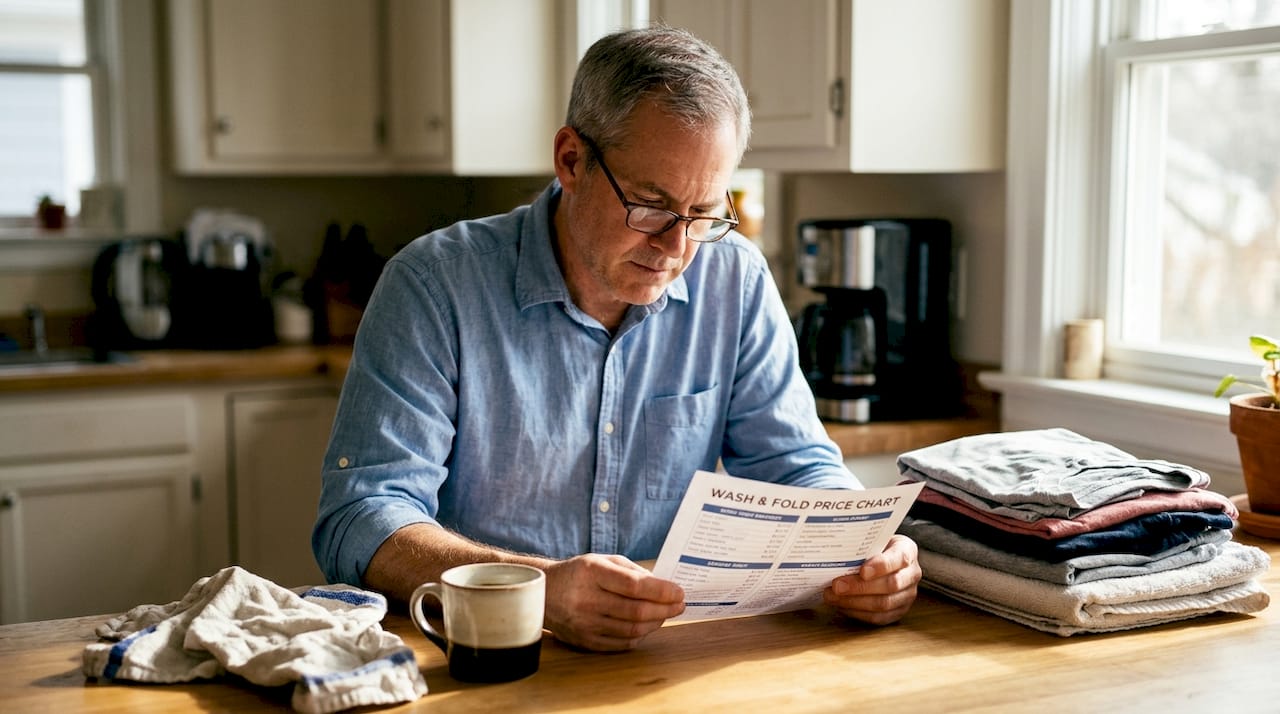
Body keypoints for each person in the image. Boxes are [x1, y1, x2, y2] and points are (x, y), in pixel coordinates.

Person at [313, 25, 921, 653]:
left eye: (706, 213)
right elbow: (360, 518)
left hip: (667, 658)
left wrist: (865, 549)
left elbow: (793, 466)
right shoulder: (434, 285)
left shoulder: (734, 278)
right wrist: (535, 588)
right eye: (651, 206)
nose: (676, 248)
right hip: (480, 658)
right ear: (571, 160)